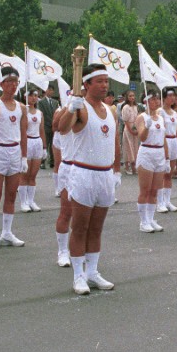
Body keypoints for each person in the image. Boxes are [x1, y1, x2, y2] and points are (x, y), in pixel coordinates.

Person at [58, 63, 121, 295]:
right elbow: (61, 128)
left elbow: (114, 141)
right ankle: (78, 276)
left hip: (105, 175)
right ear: (86, 84)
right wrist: (70, 109)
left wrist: (116, 170)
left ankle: (93, 271)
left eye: (106, 81)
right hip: (83, 173)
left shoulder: (111, 110)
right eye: (100, 81)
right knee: (80, 227)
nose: (105, 85)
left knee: (97, 228)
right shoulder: (79, 107)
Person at [0, 67, 27, 249]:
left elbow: (23, 133)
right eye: (9, 82)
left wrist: (24, 157)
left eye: (15, 82)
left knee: (11, 195)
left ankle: (7, 232)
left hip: (15, 151)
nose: (13, 85)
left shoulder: (21, 107)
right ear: (2, 84)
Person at [135, 90, 168, 233]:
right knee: (145, 189)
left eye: (157, 99)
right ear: (146, 102)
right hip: (147, 153)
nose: (156, 101)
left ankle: (151, 218)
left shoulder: (160, 118)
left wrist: (166, 158)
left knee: (155, 190)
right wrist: (147, 126)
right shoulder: (141, 117)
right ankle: (143, 221)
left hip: (159, 153)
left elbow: (164, 139)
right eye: (153, 99)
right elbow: (142, 137)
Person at [52, 104, 73, 266]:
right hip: (69, 166)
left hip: (87, 167)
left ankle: (82, 250)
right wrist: (70, 107)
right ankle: (62, 251)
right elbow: (56, 126)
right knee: (66, 212)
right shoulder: (66, 111)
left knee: (85, 217)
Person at [20, 87, 46, 212]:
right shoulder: (23, 111)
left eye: (35, 95)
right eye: (31, 95)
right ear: (26, 97)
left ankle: (31, 201)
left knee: (33, 175)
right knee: (24, 175)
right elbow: (22, 130)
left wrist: (44, 147)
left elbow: (41, 130)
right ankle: (23, 202)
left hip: (37, 142)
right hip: (27, 141)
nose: (33, 98)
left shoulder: (39, 113)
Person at [157, 86, 177, 214]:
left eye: (173, 96)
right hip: (164, 141)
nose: (172, 98)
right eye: (170, 96)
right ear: (164, 97)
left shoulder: (175, 112)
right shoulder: (160, 112)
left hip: (173, 142)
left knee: (170, 173)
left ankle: (167, 200)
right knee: (162, 173)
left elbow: (176, 130)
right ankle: (159, 201)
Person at [37, 85, 59, 168]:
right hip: (46, 126)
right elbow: (41, 114)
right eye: (49, 90)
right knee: (45, 144)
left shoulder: (55, 102)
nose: (50, 91)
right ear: (45, 91)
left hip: (54, 126)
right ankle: (42, 162)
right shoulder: (41, 102)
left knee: (53, 144)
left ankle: (52, 161)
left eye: (52, 90)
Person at [120, 90, 139, 175]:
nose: (132, 98)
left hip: (135, 127)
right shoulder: (126, 107)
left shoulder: (135, 106)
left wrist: (137, 128)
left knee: (135, 147)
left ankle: (134, 165)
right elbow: (126, 120)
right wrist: (131, 130)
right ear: (127, 98)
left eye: (133, 96)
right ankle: (127, 166)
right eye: (130, 96)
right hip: (128, 128)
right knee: (128, 146)